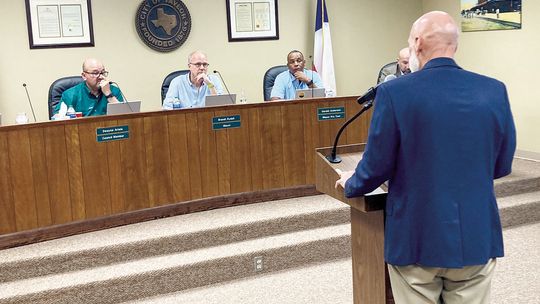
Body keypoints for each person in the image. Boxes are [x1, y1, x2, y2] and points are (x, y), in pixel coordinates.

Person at [336, 11, 516, 304]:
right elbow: (502, 164)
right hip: (475, 236)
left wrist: (350, 183)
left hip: (416, 237)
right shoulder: (494, 90)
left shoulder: (394, 93)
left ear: (417, 43)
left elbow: (376, 166)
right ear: (454, 45)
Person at [54, 58, 124, 117]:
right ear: (84, 76)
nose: (101, 77)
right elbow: (58, 121)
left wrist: (109, 94)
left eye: (103, 73)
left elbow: (124, 117)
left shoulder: (114, 91)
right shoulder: (69, 95)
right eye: (95, 73)